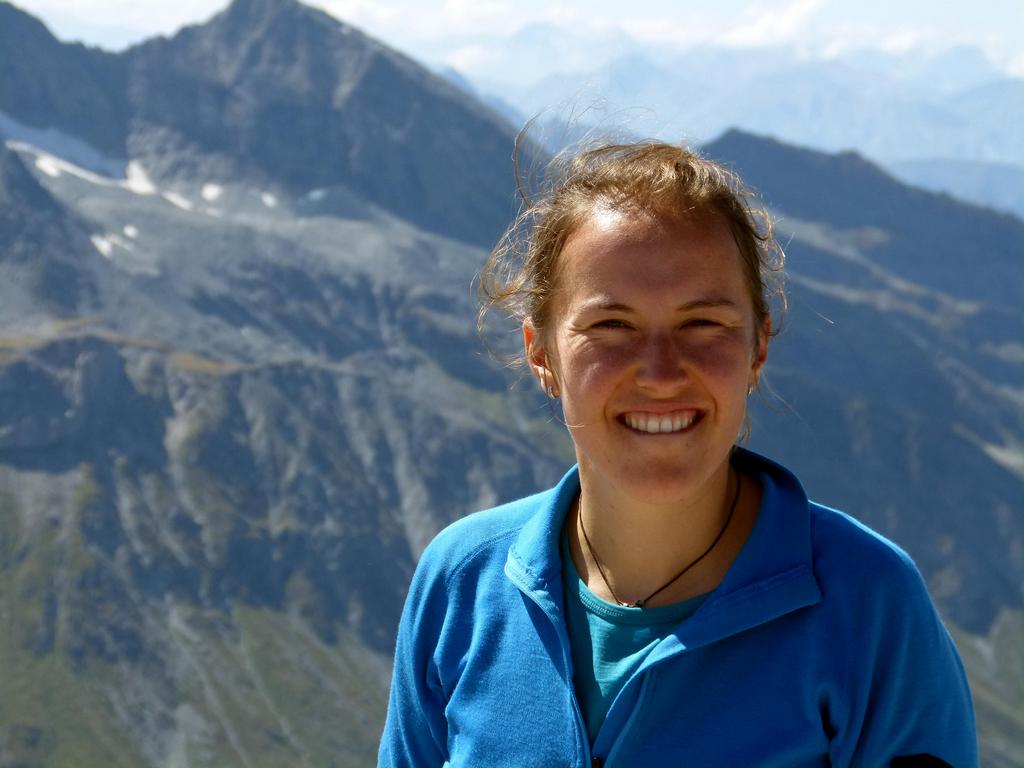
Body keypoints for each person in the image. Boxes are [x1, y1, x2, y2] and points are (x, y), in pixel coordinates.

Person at [378, 141, 978, 767]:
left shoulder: (868, 602)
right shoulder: (461, 579)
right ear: (541, 354)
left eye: (704, 324)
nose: (662, 373)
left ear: (757, 348)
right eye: (612, 326)